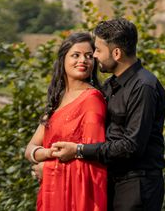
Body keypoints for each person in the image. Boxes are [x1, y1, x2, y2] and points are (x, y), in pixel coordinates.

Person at [50, 18, 165, 211]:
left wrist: (78, 150)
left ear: (117, 53)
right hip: (112, 181)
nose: (94, 56)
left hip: (136, 185)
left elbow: (131, 147)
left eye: (98, 50)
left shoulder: (144, 87)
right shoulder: (110, 86)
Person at [25, 32, 108, 211]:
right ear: (63, 59)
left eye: (88, 56)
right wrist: (49, 154)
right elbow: (30, 149)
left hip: (77, 200)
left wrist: (47, 169)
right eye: (75, 55)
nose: (83, 60)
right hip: (51, 196)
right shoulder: (57, 100)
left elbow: (93, 160)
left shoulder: (92, 99)